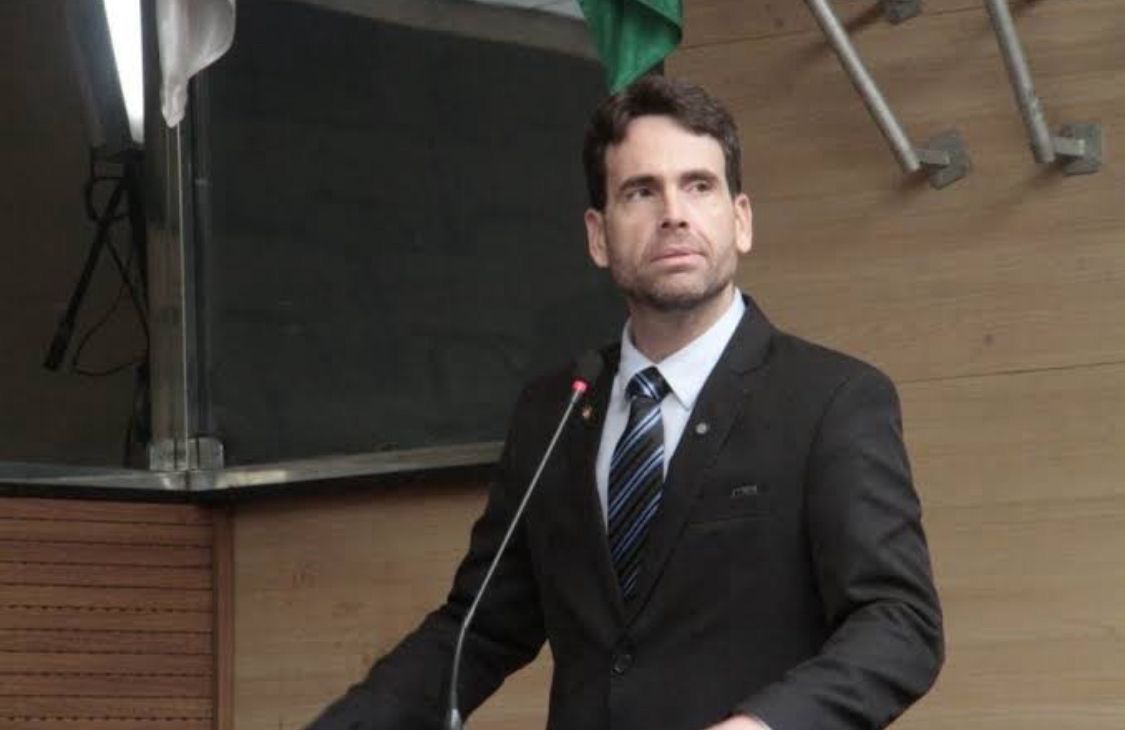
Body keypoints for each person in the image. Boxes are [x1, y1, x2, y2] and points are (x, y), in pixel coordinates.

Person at [307, 75, 943, 730]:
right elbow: (476, 631)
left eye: (698, 186)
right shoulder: (554, 412)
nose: (674, 213)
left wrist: (762, 726)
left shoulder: (830, 400)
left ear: (741, 220)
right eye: (641, 191)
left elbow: (899, 623)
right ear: (598, 235)